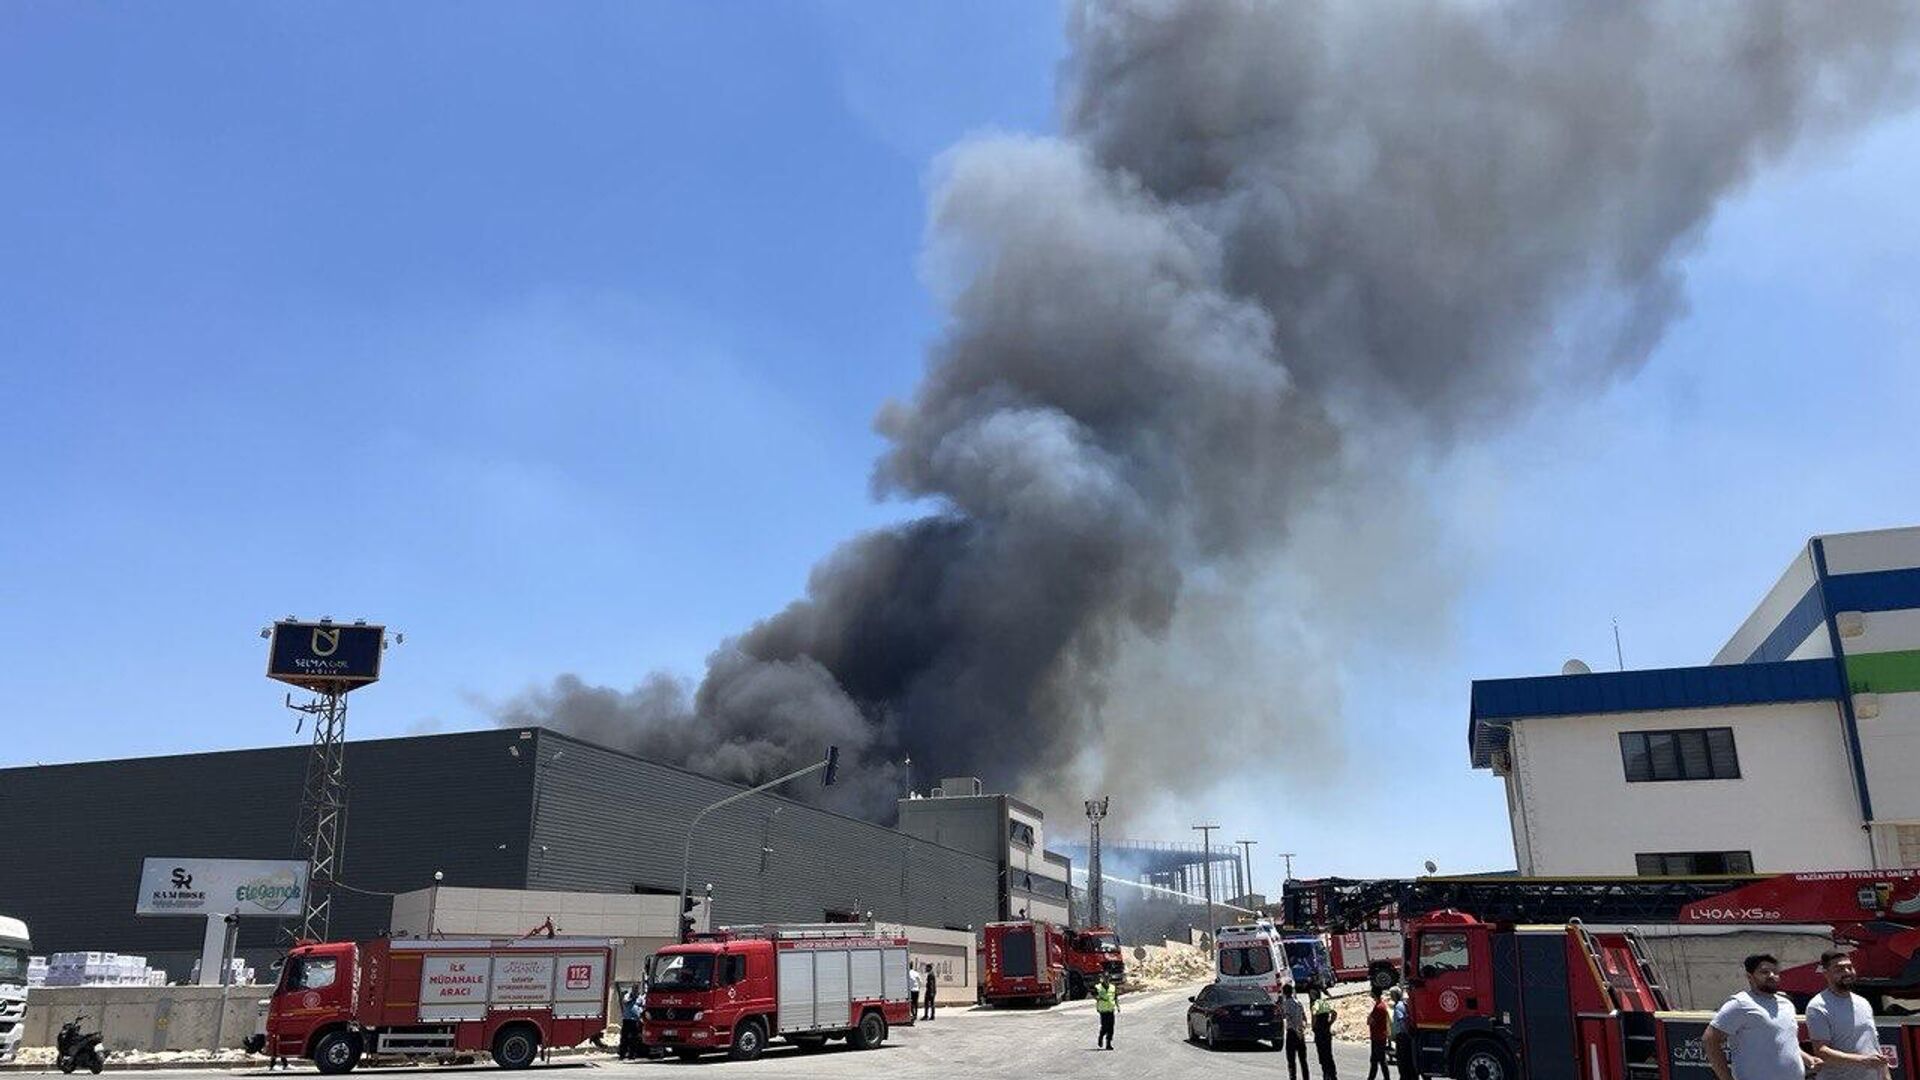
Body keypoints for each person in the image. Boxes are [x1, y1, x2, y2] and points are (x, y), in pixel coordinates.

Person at [1704, 954, 1823, 1080]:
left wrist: (1807, 1058)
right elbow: (1710, 1040)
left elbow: (1787, 1043)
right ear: (1750, 977)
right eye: (1764, 972)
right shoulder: (1740, 1004)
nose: (1772, 975)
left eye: (1775, 972)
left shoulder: (1786, 1004)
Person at [1807, 950, 1890, 1080]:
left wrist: (1885, 1076)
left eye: (1849, 967)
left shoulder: (1863, 1003)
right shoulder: (1818, 1006)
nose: (1847, 972)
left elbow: (1874, 1045)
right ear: (1826, 973)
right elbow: (1822, 1051)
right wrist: (1862, 1060)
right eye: (1839, 969)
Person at [1282, 983, 1311, 1080]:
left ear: (1284, 993)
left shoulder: (1286, 1004)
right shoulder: (1299, 1003)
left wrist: (1295, 1029)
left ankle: (1293, 1078)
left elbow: (1288, 1017)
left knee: (1291, 1060)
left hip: (1292, 1033)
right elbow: (1305, 1019)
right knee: (1303, 1060)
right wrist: (1301, 1030)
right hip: (1300, 1033)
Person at [1312, 987, 1340, 1080]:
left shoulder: (1316, 1004)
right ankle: (1333, 1073)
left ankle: (1326, 1074)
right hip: (1326, 1031)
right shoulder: (1325, 1003)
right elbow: (1334, 1013)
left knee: (1322, 1055)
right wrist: (1330, 1023)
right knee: (1328, 1054)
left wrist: (1314, 1026)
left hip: (1319, 1033)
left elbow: (1314, 1015)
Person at [1390, 987, 1415, 1080]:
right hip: (1406, 1037)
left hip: (1402, 1037)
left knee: (1402, 1062)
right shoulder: (1403, 1004)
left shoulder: (1398, 1007)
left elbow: (1401, 1021)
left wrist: (1404, 1033)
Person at [1366, 990, 1390, 1080]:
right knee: (1375, 1060)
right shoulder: (1380, 1006)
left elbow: (1369, 1021)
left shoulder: (1379, 1007)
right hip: (1378, 1036)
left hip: (1378, 1037)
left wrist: (1369, 1016)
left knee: (1379, 1060)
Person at [618, 983, 643, 1061]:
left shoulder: (640, 998)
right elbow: (625, 1002)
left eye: (637, 989)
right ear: (632, 989)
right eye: (634, 989)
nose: (635, 990)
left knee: (634, 1039)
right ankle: (622, 1054)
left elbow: (642, 1006)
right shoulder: (627, 995)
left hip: (635, 1020)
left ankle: (632, 1055)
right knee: (624, 1038)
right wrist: (632, 998)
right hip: (627, 1020)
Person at [1094, 972, 1118, 1049]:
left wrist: (1118, 1006)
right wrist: (1098, 997)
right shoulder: (1098, 987)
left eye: (1108, 978)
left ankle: (1108, 1043)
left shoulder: (1112, 987)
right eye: (1105, 978)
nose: (1106, 980)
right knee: (1104, 1027)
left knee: (1111, 1027)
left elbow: (1115, 997)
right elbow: (1094, 995)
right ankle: (1101, 1037)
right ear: (1103, 979)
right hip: (1103, 1010)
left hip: (1111, 1009)